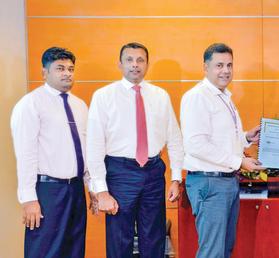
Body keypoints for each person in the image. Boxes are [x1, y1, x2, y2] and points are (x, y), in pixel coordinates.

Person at [86, 42, 184, 258]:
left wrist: (176, 178)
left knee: (154, 238)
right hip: (120, 172)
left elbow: (175, 139)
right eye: (129, 60)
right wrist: (101, 190)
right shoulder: (103, 96)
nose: (135, 65)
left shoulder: (160, 96)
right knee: (120, 240)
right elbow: (93, 146)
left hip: (153, 172)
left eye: (140, 60)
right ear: (120, 64)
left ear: (147, 64)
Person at [180, 43, 264, 258]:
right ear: (205, 68)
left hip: (225, 181)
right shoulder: (198, 96)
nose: (225, 70)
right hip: (210, 183)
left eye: (229, 65)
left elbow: (219, 139)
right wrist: (239, 163)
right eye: (219, 65)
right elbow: (196, 145)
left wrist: (246, 138)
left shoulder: (224, 96)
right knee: (212, 253)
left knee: (224, 250)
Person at [11, 47, 88, 258]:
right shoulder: (30, 104)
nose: (67, 73)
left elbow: (84, 149)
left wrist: (91, 186)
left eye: (71, 69)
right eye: (60, 68)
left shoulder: (80, 105)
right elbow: (25, 154)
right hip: (47, 191)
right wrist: (28, 199)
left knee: (74, 250)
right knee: (45, 252)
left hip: (76, 190)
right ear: (44, 72)